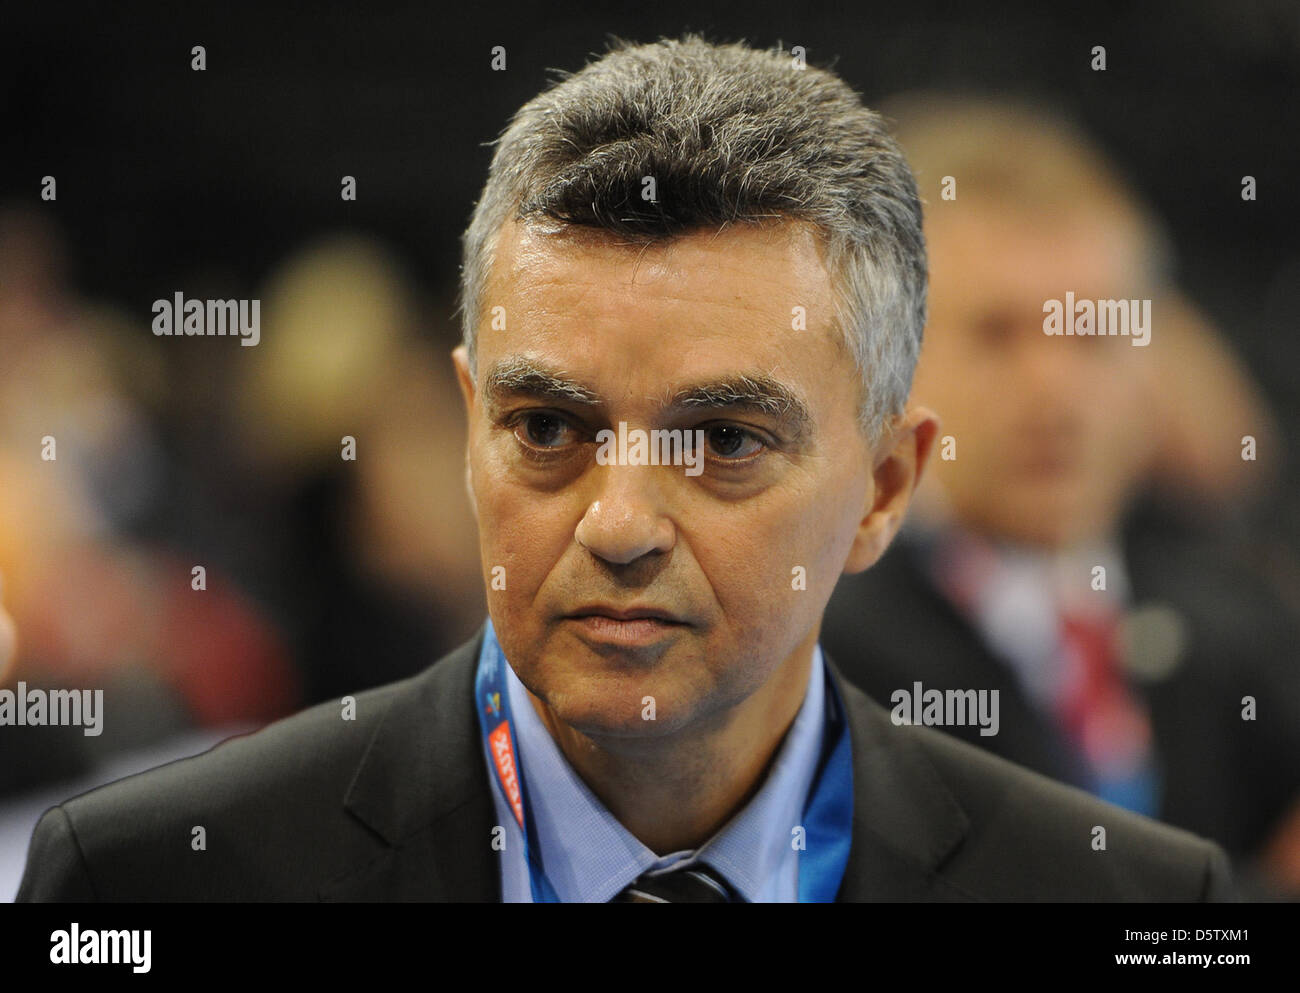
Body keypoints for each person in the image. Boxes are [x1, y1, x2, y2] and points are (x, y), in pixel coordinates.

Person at [19, 36, 1231, 902]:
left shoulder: (1125, 898)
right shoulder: (154, 882)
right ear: (466, 425)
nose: (617, 523)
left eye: (723, 443)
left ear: (883, 488)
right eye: (548, 427)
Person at [819, 95, 1300, 896]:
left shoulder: (1237, 620)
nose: (1055, 390)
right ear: (886, 355)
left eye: (1094, 336)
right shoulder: (815, 640)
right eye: (996, 333)